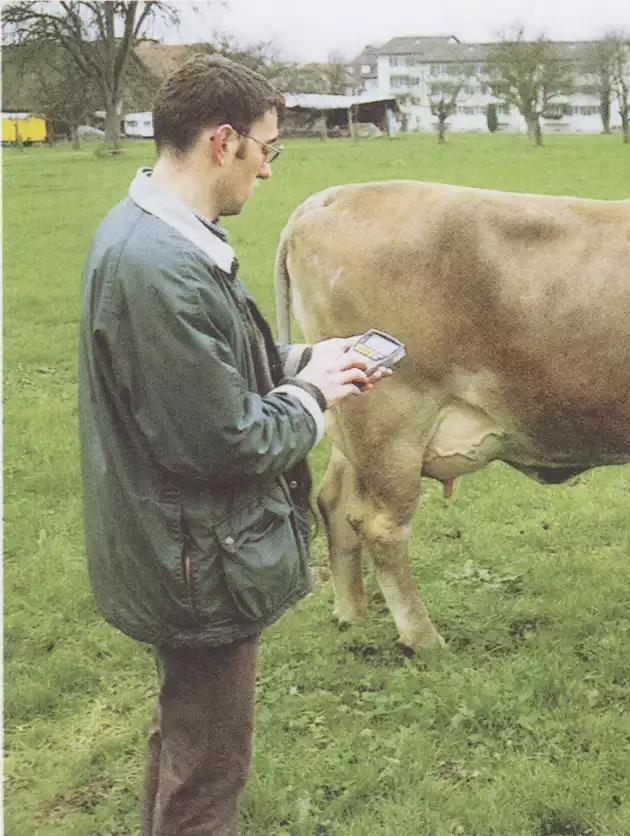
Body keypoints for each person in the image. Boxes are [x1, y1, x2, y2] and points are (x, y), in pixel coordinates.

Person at [78, 55, 390, 834]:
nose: (269, 170)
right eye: (267, 149)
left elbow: (206, 378)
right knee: (209, 775)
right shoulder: (163, 272)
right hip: (197, 564)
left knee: (184, 742)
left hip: (174, 546)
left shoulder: (155, 234)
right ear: (225, 142)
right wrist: (314, 397)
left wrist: (302, 363)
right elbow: (229, 442)